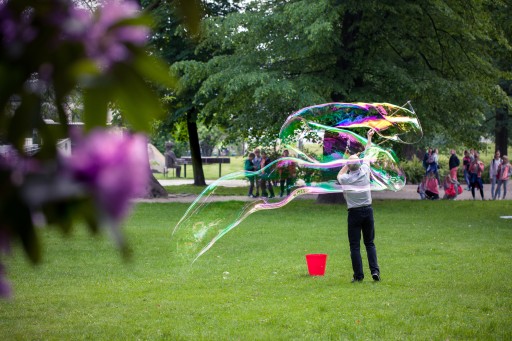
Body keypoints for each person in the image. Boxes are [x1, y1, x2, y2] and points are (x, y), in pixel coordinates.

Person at [337, 129, 380, 283]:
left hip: (354, 214)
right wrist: (369, 137)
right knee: (370, 243)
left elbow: (339, 175)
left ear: (349, 167)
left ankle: (359, 276)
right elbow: (368, 152)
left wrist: (348, 162)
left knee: (355, 246)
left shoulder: (346, 179)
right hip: (368, 211)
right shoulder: (365, 170)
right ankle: (375, 272)